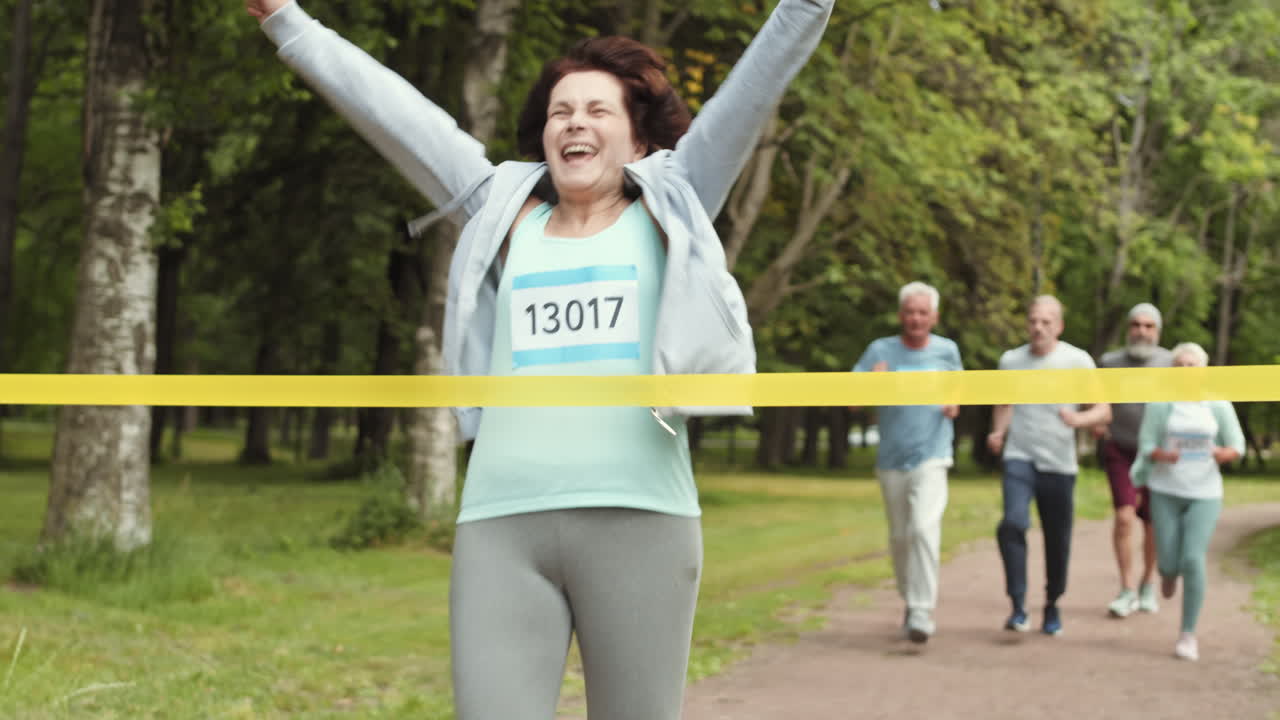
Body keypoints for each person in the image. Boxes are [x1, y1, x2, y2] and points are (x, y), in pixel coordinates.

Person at [246, 0, 834, 717]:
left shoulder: (676, 197)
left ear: (640, 139)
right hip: (503, 523)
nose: (574, 123)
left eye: (596, 110)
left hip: (640, 519)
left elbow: (759, 78)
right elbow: (395, 113)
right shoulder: (502, 204)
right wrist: (285, 18)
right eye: (560, 111)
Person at [987, 296, 1111, 636]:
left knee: (1057, 540)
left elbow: (1103, 409)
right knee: (1012, 523)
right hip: (1020, 456)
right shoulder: (1011, 361)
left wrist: (1079, 419)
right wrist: (999, 431)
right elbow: (1004, 403)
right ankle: (1017, 605)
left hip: (1059, 462)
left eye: (1045, 321)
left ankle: (1053, 603)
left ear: (1059, 326)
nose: (1038, 327)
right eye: (1032, 321)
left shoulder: (1077, 361)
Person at [850, 282, 962, 643]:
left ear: (934, 317)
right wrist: (872, 384)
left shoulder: (948, 352)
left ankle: (921, 609)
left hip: (932, 455)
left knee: (924, 528)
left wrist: (952, 404)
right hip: (892, 459)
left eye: (923, 313)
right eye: (910, 312)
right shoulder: (879, 351)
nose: (916, 319)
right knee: (900, 537)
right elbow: (851, 402)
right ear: (901, 316)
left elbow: (959, 394)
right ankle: (909, 599)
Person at [1130, 342, 1244, 661]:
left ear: (1203, 369)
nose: (1185, 370)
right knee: (1168, 562)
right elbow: (1147, 444)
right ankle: (1166, 574)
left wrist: (1223, 453)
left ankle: (1187, 634)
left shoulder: (1217, 404)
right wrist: (1164, 454)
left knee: (1193, 559)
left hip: (1205, 493)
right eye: (1179, 365)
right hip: (1165, 489)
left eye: (1192, 365)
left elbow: (1237, 445)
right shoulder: (1160, 405)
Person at [1097, 303, 1173, 617]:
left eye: (1148, 326)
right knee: (1125, 517)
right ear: (1128, 328)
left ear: (1157, 331)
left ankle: (1147, 584)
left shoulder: (1171, 363)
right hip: (1121, 448)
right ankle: (1126, 587)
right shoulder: (1110, 362)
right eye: (1136, 325)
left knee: (1153, 523)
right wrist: (1097, 422)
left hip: (1157, 452)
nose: (1141, 331)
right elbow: (1096, 399)